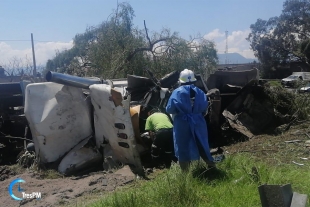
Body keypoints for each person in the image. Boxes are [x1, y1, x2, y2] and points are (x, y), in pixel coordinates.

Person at [166, 69, 215, 171]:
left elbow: (170, 108)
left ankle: (185, 172)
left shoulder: (177, 92)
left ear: (181, 81)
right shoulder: (200, 92)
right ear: (193, 80)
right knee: (201, 142)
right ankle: (211, 165)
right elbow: (204, 107)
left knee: (182, 144)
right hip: (198, 121)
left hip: (182, 122)